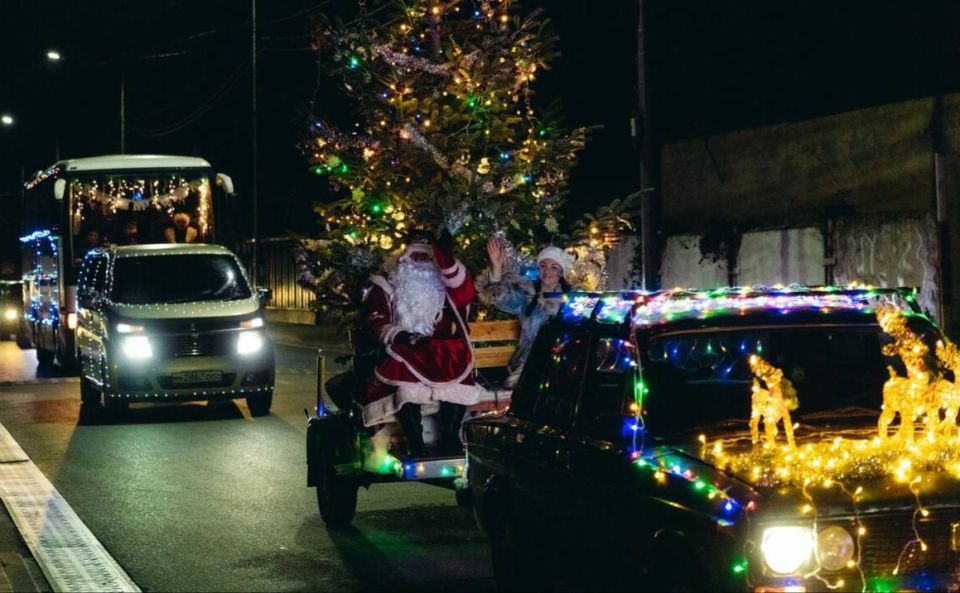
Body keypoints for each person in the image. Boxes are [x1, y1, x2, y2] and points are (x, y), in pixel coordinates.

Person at [362, 229, 481, 456]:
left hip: (441, 351)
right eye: (415, 255)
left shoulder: (445, 284)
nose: (421, 261)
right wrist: (399, 335)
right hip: (406, 348)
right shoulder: (387, 285)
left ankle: (450, 436)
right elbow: (377, 320)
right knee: (405, 379)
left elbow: (464, 293)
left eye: (426, 256)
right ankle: (415, 440)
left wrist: (447, 260)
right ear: (404, 257)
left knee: (456, 359)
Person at [477, 239, 577, 388]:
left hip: (564, 363)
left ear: (562, 272)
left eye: (554, 267)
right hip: (529, 362)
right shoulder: (528, 295)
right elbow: (500, 297)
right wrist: (497, 267)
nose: (547, 271)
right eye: (543, 266)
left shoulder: (573, 300)